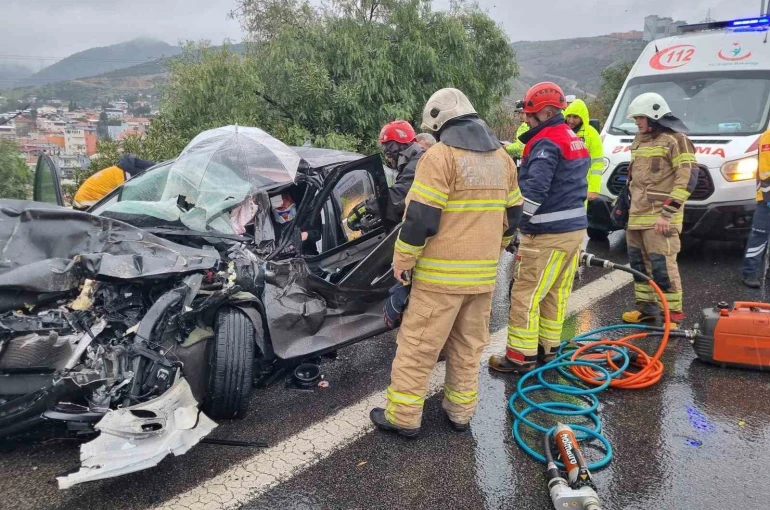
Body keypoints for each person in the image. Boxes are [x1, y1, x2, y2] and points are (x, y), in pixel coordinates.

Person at [370, 88, 522, 436]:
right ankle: (460, 413)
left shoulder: (440, 158)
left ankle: (404, 417)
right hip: (482, 279)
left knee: (418, 347)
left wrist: (403, 260)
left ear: (438, 123)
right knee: (468, 349)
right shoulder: (502, 159)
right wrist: (494, 251)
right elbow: (514, 216)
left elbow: (420, 217)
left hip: (439, 280)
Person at [488, 82, 589, 374]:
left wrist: (511, 230)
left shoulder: (546, 142)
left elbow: (532, 194)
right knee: (554, 294)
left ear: (545, 113)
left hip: (548, 234)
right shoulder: (572, 137)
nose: (525, 120)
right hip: (573, 232)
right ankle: (549, 349)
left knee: (525, 296)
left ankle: (519, 357)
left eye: (529, 116)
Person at [620, 92, 697, 324]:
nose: (637, 122)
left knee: (662, 266)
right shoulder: (639, 139)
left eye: (640, 118)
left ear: (654, 116)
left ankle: (671, 315)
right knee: (638, 265)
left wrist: (667, 214)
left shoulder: (676, 140)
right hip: (636, 216)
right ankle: (647, 310)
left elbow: (688, 178)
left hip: (660, 219)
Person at [73, 154, 155, 210]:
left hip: (83, 203)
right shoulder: (123, 176)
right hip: (85, 206)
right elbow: (127, 201)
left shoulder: (118, 171)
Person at [742, 128, 770, 288]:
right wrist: (768, 197)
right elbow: (766, 171)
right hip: (767, 197)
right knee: (760, 235)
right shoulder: (768, 137)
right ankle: (750, 272)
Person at [564, 99, 604, 201]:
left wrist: (594, 189)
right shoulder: (562, 132)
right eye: (569, 116)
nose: (571, 120)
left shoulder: (591, 134)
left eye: (575, 117)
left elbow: (597, 163)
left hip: (582, 186)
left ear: (582, 117)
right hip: (562, 185)